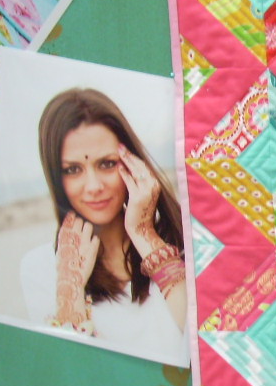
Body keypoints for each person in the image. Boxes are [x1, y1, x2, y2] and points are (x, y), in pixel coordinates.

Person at [20, 88, 186, 363]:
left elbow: (207, 340)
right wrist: (71, 289)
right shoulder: (40, 268)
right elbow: (69, 371)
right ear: (56, 177)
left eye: (107, 164)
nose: (94, 186)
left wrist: (145, 235)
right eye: (73, 170)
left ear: (132, 163)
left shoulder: (182, 240)